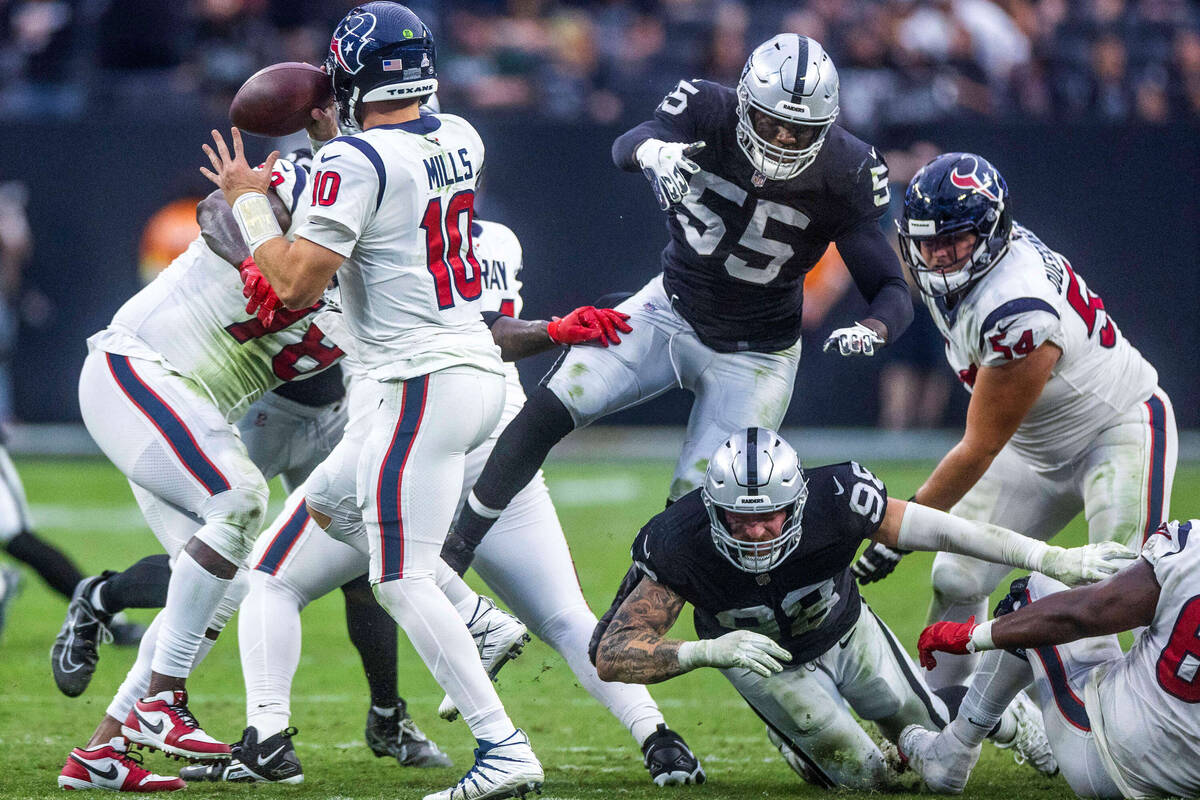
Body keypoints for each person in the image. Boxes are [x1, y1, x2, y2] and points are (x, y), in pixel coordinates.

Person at [180, 218, 701, 787]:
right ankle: (659, 738)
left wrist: (249, 219)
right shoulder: (495, 236)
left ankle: (271, 736)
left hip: (410, 427)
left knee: (278, 577)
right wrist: (553, 329)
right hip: (495, 439)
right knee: (562, 615)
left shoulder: (365, 224)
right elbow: (491, 324)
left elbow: (282, 277)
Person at [203, 5, 545, 798]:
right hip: (457, 378)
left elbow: (293, 279)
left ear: (351, 77)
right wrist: (329, 141)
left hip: (416, 387)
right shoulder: (462, 134)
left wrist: (250, 198)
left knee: (399, 578)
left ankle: (503, 749)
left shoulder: (354, 161)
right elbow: (378, 187)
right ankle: (268, 737)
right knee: (276, 571)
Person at [441, 33, 913, 577]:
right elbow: (629, 142)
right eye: (770, 123)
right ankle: (455, 552)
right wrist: (652, 151)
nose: (783, 139)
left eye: (800, 129)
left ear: (826, 126)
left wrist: (876, 328)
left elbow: (891, 289)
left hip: (757, 356)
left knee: (692, 516)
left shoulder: (847, 170)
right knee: (550, 408)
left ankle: (623, 634)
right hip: (669, 308)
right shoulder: (709, 107)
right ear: (744, 103)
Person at [589, 427, 1136, 790]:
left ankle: (1003, 716)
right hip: (762, 665)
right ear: (711, 509)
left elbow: (946, 529)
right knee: (871, 780)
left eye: (770, 516)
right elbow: (612, 656)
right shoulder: (679, 540)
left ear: (798, 500)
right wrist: (706, 651)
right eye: (738, 518)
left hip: (848, 633)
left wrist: (1046, 556)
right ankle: (801, 741)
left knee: (934, 737)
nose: (755, 531)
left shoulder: (838, 496)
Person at [60, 144, 346, 791]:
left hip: (184, 409)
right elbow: (221, 207)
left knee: (228, 581)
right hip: (136, 372)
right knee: (241, 499)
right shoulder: (321, 193)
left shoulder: (389, 286)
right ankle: (163, 699)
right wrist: (254, 220)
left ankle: (102, 755)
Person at [851, 152, 1177, 691]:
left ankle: (1137, 727)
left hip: (1117, 430)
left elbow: (977, 448)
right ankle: (941, 718)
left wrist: (902, 531)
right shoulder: (969, 261)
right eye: (925, 242)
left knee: (1115, 592)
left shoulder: (1016, 307)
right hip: (1033, 445)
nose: (935, 257)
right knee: (957, 575)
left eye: (950, 242)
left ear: (990, 234)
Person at [904, 519, 1200, 799]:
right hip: (1188, 778)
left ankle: (952, 751)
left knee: (1044, 589)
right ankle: (1019, 726)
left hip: (1110, 760)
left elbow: (1084, 614)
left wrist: (973, 636)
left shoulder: (1193, 547)